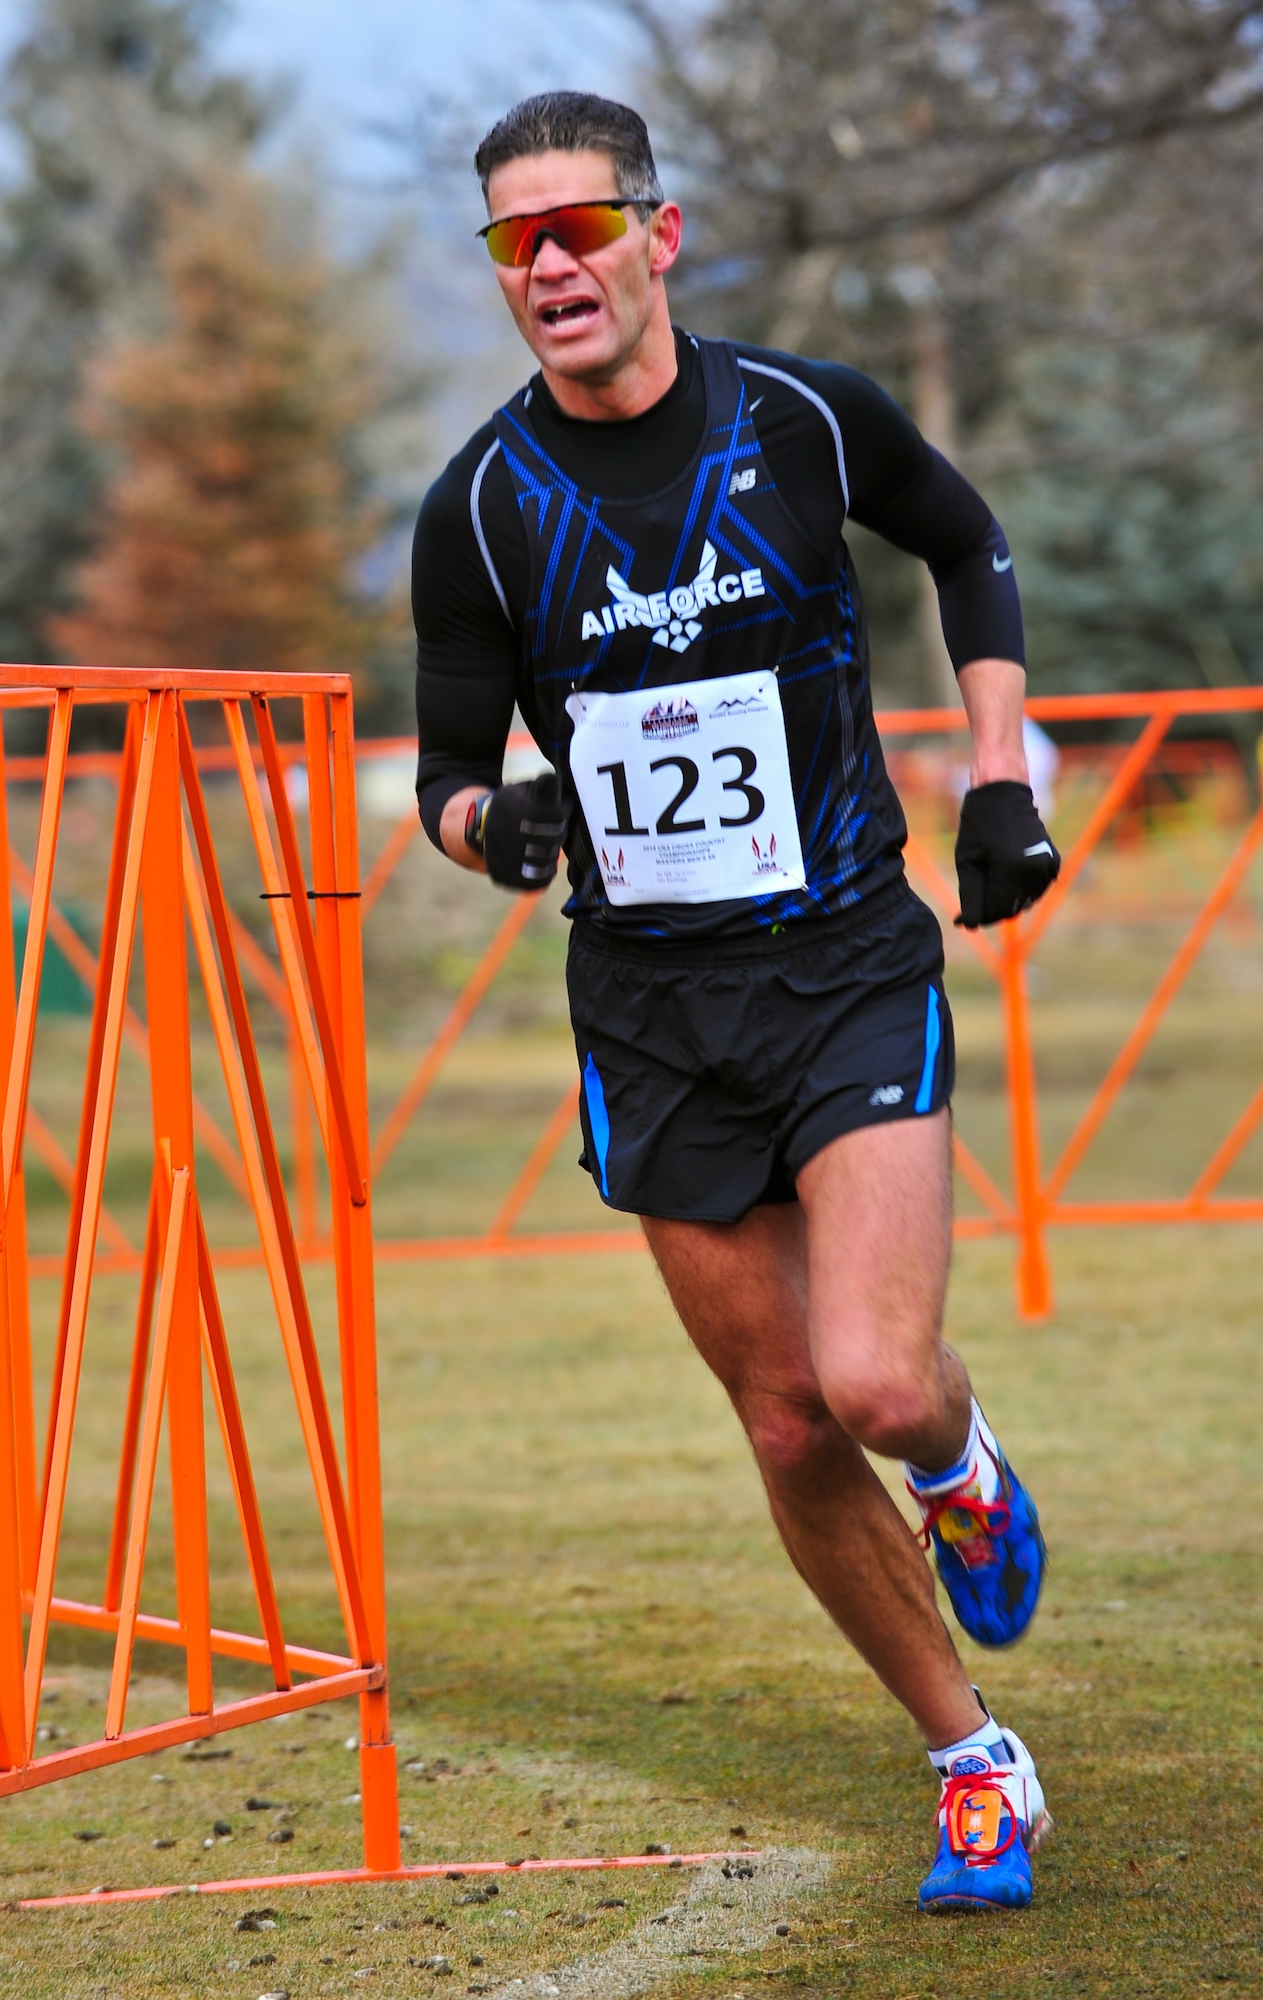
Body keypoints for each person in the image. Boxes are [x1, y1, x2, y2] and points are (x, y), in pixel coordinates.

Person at [412, 91, 1061, 1912]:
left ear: (656, 234)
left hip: (846, 955)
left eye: (574, 228)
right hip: (650, 1008)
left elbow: (968, 539)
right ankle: (969, 1756)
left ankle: (957, 1453)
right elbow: (446, 776)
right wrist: (497, 819)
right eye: (509, 242)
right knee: (782, 1419)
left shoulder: (799, 416)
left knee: (869, 1378)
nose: (545, 265)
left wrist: (998, 776)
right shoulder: (476, 502)